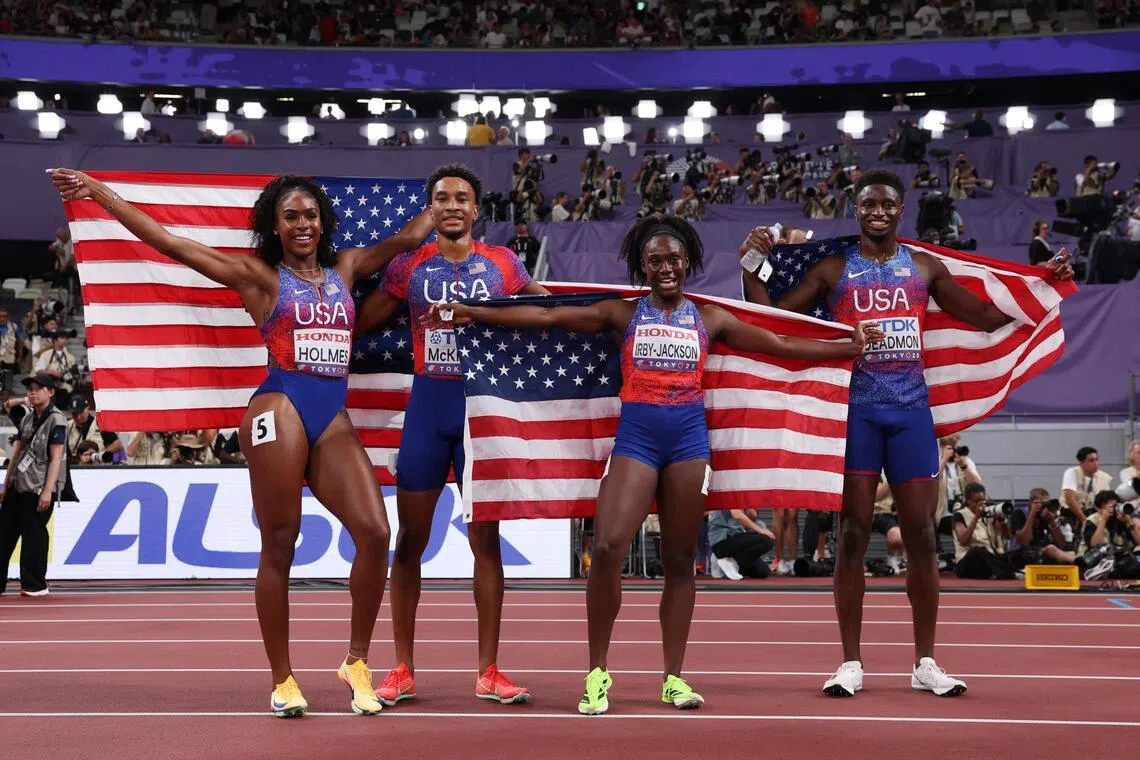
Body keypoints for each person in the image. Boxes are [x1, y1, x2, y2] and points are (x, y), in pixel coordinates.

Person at [421, 214, 877, 715]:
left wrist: (845, 348)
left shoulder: (710, 319)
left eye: (674, 259)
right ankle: (597, 674)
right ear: (643, 265)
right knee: (611, 547)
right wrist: (476, 314)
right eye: (656, 260)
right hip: (636, 441)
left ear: (688, 263)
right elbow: (547, 318)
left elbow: (783, 346)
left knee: (681, 563)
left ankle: (674, 678)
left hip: (688, 446)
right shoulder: (623, 314)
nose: (666, 267)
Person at [50, 167, 434, 718]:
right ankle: (283, 679)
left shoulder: (347, 267)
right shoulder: (259, 276)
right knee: (281, 542)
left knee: (375, 533)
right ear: (275, 227)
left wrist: (451, 203)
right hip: (278, 405)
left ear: (323, 221)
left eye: (310, 215)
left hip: (332, 412)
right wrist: (101, 194)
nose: (302, 224)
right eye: (290, 216)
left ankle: (356, 661)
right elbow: (170, 242)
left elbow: (404, 240)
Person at [738, 168, 1074, 698]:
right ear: (857, 209)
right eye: (868, 203)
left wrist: (1043, 282)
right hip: (857, 413)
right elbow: (777, 319)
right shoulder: (833, 269)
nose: (877, 211)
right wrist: (753, 264)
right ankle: (850, 662)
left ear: (901, 210)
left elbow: (987, 317)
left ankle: (925, 662)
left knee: (921, 536)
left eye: (886, 204)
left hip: (913, 413)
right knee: (852, 534)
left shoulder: (923, 267)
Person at [355, 163, 550, 708]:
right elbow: (359, 320)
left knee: (485, 543)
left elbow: (551, 311)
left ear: (476, 208)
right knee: (409, 543)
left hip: (480, 415)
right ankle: (401, 670)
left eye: (461, 197)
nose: (452, 206)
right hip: (428, 411)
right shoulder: (409, 266)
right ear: (431, 209)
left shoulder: (503, 264)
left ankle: (489, 670)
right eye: (441, 198)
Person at [0, 375, 69, 597]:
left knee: (34, 536)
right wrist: (6, 483)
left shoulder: (57, 420)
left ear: (50, 392)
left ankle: (35, 584)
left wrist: (48, 490)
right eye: (30, 389)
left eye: (38, 389)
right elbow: (17, 452)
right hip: (17, 484)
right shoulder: (28, 419)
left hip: (38, 485)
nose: (32, 393)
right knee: (4, 533)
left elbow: (56, 458)